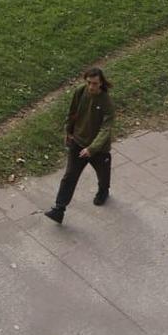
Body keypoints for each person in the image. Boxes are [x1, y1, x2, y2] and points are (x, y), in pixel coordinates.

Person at [44, 68, 113, 224]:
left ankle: (103, 191)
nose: (91, 87)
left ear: (101, 82)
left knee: (103, 173)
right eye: (89, 83)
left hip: (98, 149)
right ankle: (59, 209)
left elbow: (105, 129)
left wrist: (92, 149)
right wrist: (68, 132)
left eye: (94, 84)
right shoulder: (80, 92)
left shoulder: (106, 102)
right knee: (69, 176)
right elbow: (73, 113)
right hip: (78, 142)